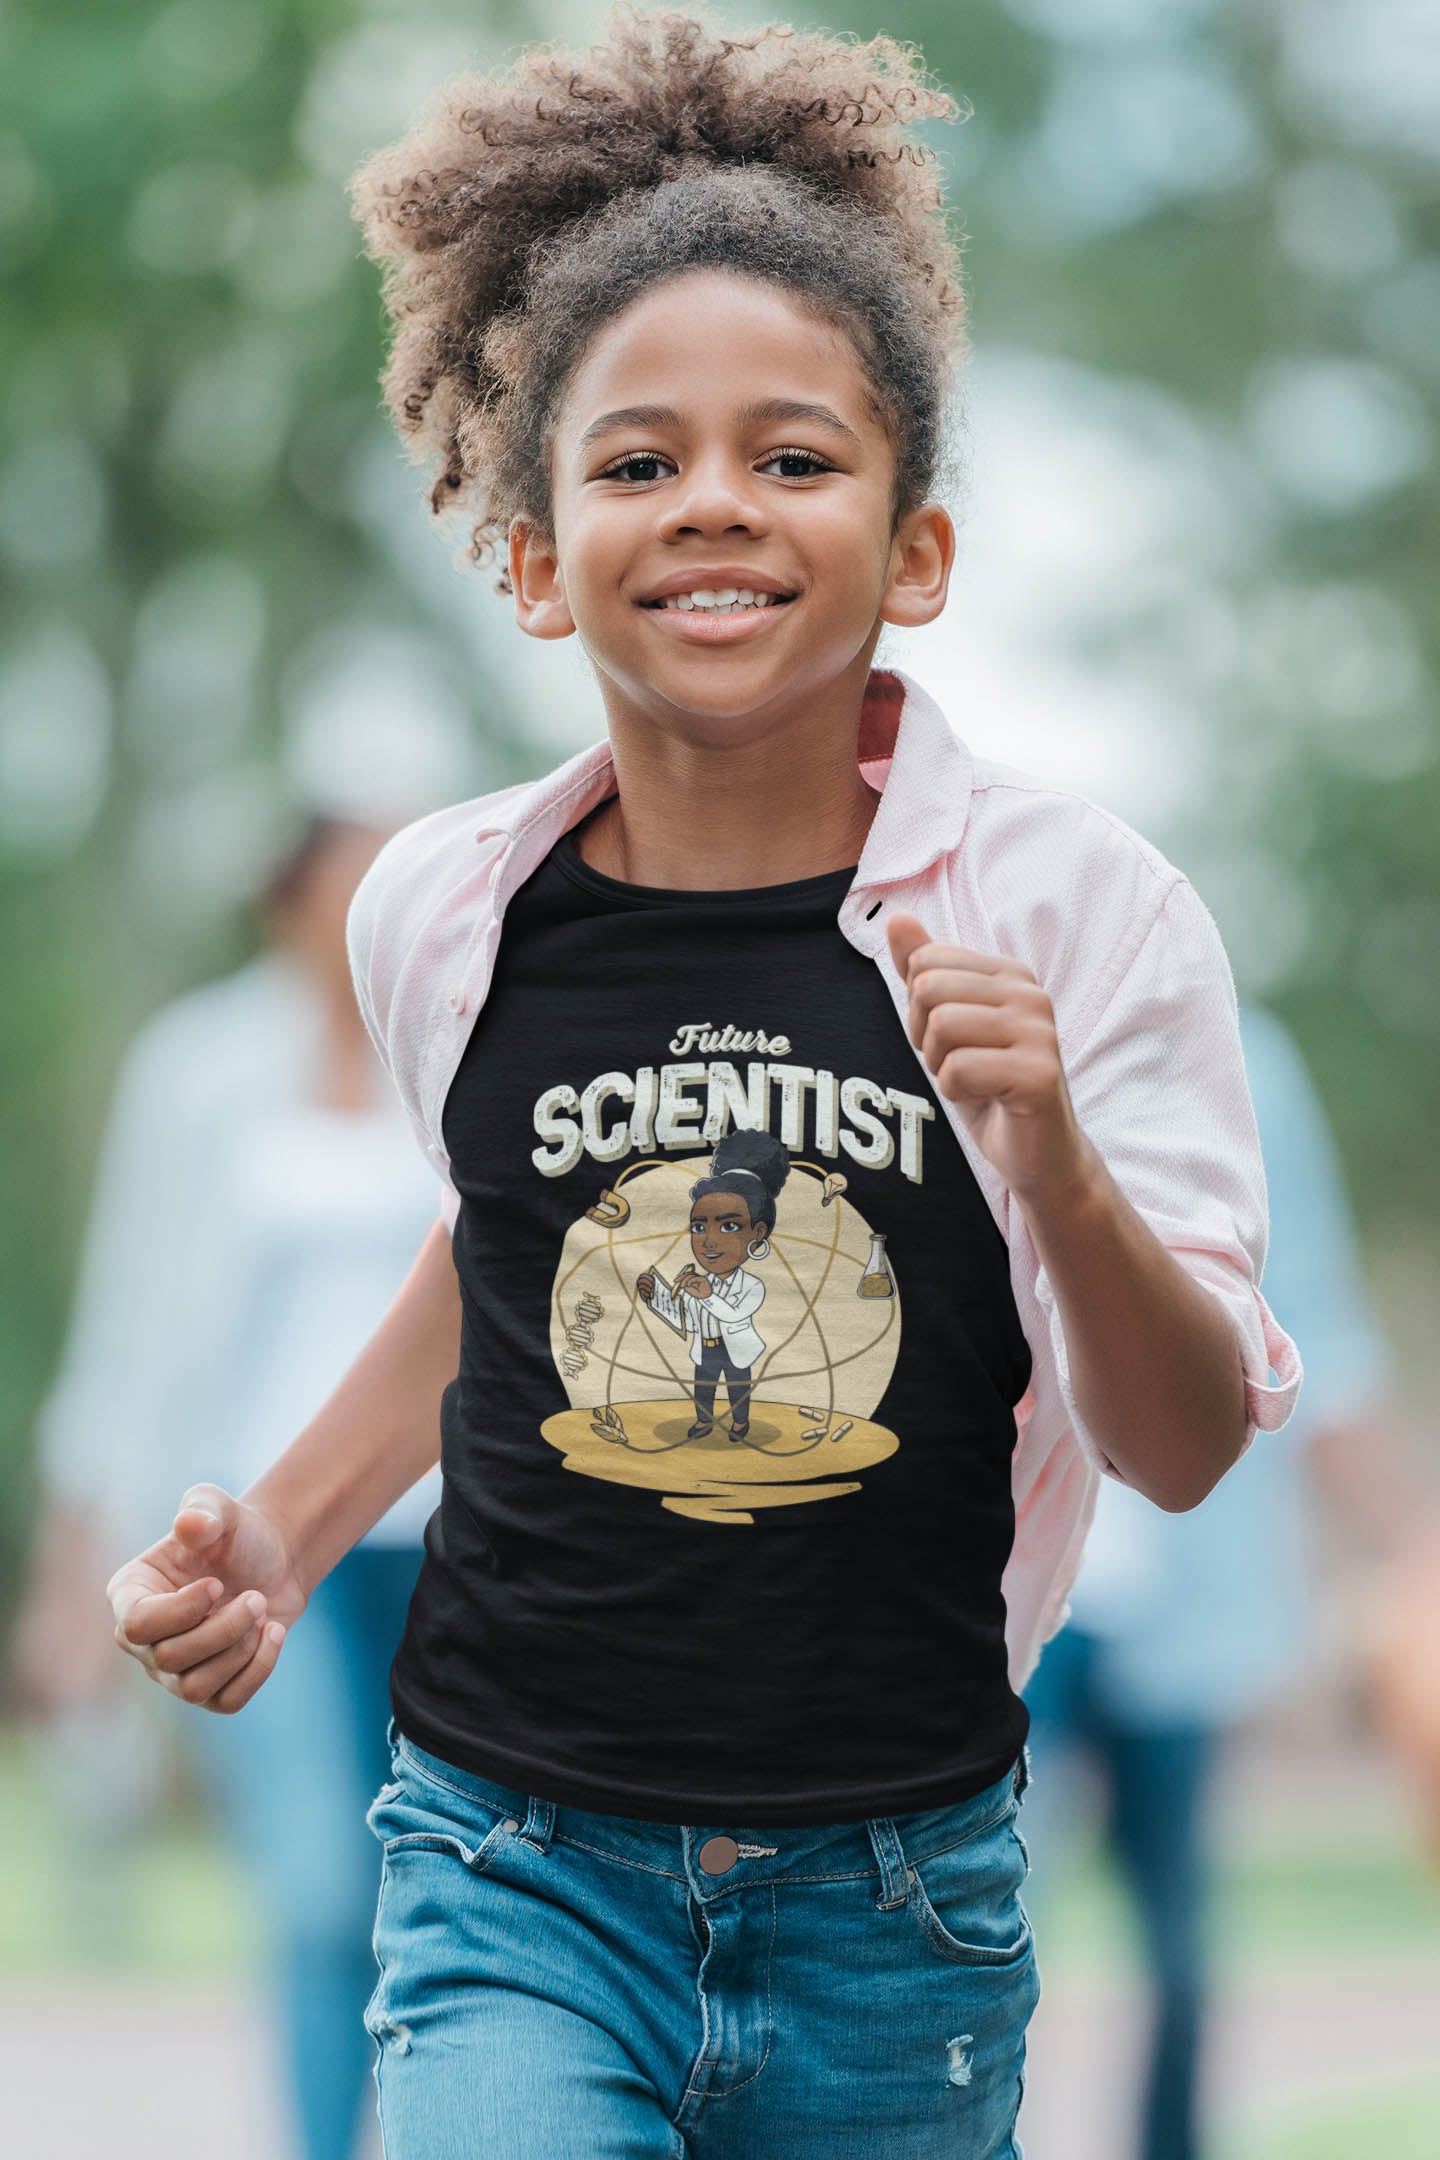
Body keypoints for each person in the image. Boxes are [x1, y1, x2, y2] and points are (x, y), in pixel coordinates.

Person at [102, 13, 1302, 2157]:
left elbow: (1185, 1444)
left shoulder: (1086, 916)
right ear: (534, 550)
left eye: (797, 455)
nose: (715, 505)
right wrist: (278, 1531)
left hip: (895, 1897)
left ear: (914, 549)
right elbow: (497, 1253)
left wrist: (1053, 1162)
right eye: (638, 461)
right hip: (507, 1854)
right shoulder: (442, 910)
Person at [13, 814, 443, 2160]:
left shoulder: (462, 1045)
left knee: (448, 1886)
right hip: (263, 1546)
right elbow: (128, 1323)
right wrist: (68, 1575)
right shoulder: (201, 1069)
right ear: (290, 904)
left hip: (454, 1543)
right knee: (322, 1884)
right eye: (356, 880)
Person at [1019, 1000, 1403, 2160]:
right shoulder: (947, 1020)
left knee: (1180, 1944)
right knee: (979, 1927)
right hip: (1021, 1591)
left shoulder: (1247, 1060)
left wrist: (1408, 1548)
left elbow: (1316, 1326)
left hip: (1177, 1595)